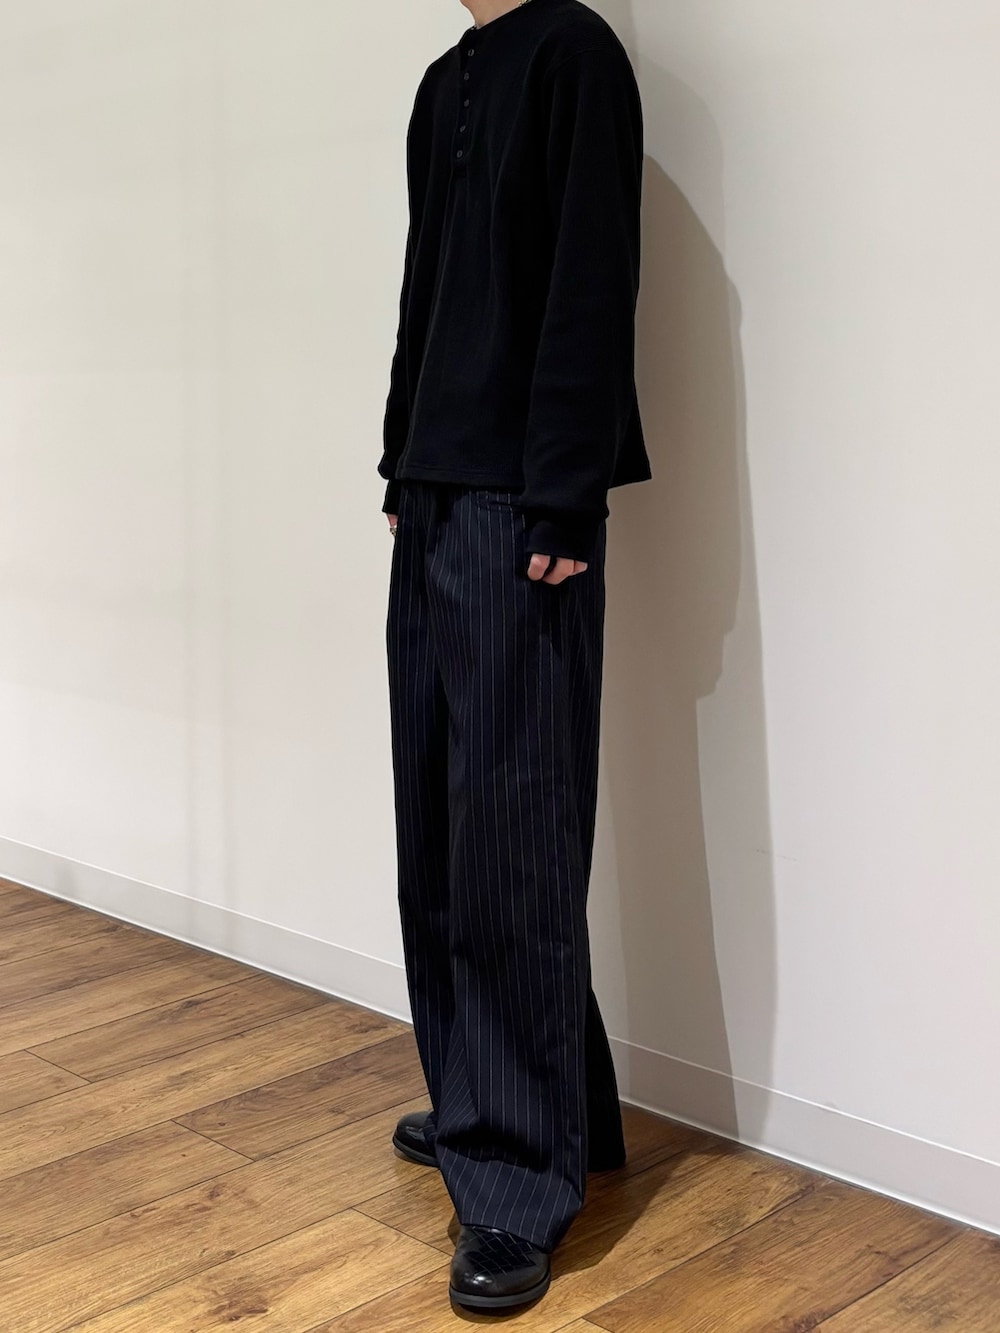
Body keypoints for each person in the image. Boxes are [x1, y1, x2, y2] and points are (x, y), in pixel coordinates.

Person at [379, 0, 651, 1312]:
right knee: (441, 831)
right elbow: (425, 285)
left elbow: (594, 278)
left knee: (514, 835)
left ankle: (513, 1174)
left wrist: (564, 496)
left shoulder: (575, 54)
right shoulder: (445, 82)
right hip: (435, 492)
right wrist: (398, 453)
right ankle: (519, 1104)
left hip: (518, 505)